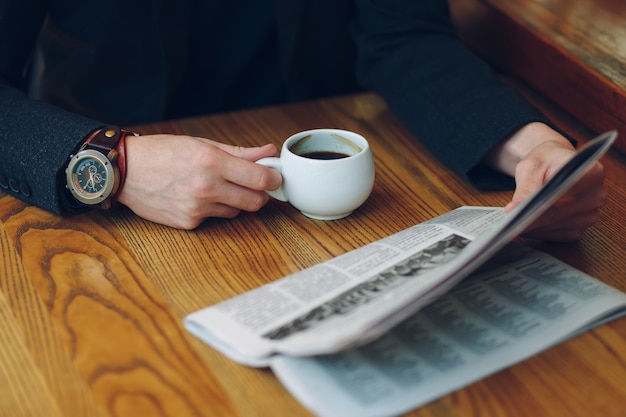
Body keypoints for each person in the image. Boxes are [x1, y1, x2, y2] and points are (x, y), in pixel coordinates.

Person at [0, 0, 606, 241]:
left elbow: (403, 34)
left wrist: (534, 149)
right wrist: (114, 165)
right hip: (102, 200)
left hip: (315, 202)